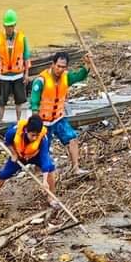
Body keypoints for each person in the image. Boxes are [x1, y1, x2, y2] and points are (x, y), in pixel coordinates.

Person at [29, 50, 91, 178]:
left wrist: (87, 64)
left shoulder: (66, 77)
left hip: (58, 118)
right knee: (43, 147)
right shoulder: (41, 81)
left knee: (72, 139)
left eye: (63, 67)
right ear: (53, 64)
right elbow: (34, 102)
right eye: (58, 66)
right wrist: (36, 123)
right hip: (43, 121)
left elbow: (80, 76)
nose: (60, 69)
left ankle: (76, 168)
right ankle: (38, 169)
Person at [0, 113, 58, 207]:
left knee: (50, 169)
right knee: (3, 175)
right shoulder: (13, 131)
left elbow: (44, 157)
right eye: (32, 135)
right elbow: (7, 142)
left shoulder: (43, 138)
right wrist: (13, 154)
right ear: (26, 131)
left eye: (36, 136)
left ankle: (51, 197)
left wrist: (44, 181)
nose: (34, 138)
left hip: (35, 155)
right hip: (20, 155)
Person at [0, 9, 30, 122]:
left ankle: (18, 121)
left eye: (11, 26)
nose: (9, 28)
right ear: (4, 26)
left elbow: (26, 57)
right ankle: (0, 121)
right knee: (2, 101)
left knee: (19, 101)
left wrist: (26, 74)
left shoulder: (22, 38)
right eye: (7, 26)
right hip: (4, 76)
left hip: (18, 75)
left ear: (15, 25)